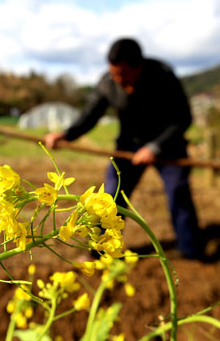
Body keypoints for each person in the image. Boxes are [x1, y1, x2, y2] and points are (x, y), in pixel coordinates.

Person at [44, 37, 203, 259]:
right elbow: (90, 115)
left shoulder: (163, 76)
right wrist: (66, 135)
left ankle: (191, 251)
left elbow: (183, 118)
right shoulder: (108, 82)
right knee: (111, 196)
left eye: (124, 74)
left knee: (178, 193)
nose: (118, 79)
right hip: (128, 146)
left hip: (168, 145)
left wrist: (154, 148)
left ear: (140, 66)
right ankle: (98, 251)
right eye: (114, 73)